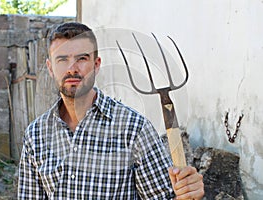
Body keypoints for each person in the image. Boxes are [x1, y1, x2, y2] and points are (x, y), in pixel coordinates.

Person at [18, 22, 204, 199]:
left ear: (97, 64)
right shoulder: (36, 135)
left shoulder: (134, 129)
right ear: (50, 68)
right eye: (62, 60)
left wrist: (188, 193)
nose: (72, 68)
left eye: (81, 58)